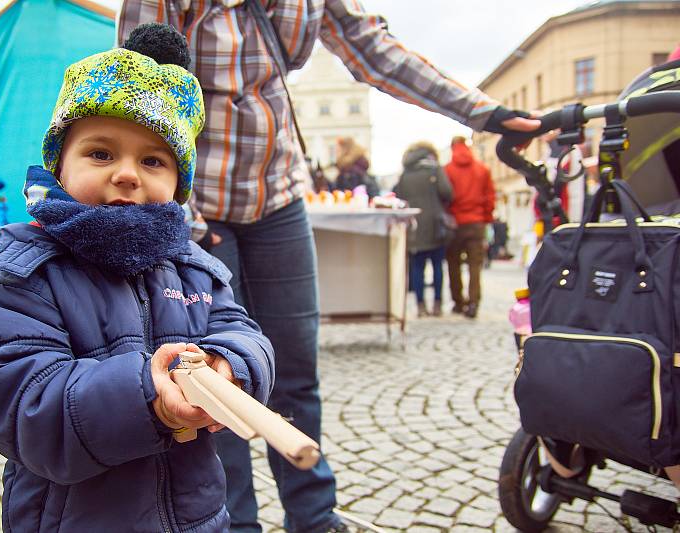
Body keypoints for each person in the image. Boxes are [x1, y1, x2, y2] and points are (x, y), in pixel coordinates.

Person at [118, 3, 540, 532]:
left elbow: (375, 51)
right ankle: (232, 521)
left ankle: (315, 517)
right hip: (200, 205)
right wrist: (186, 215)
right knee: (211, 375)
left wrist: (483, 114)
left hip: (280, 196)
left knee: (297, 372)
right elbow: (140, 85)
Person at [0, 24, 274, 532]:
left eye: (153, 159)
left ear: (178, 185)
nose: (127, 173)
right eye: (101, 153)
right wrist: (147, 398)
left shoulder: (196, 268)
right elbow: (21, 406)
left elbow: (246, 335)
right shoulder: (24, 275)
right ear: (59, 166)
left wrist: (231, 365)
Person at [392, 142, 453, 318]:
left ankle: (420, 305)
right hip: (435, 225)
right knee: (437, 266)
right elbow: (447, 192)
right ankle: (437, 304)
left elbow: (399, 197)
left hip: (414, 227)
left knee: (417, 267)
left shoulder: (405, 174)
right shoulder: (434, 169)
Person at [445, 136, 496, 319]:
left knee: (454, 264)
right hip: (476, 223)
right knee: (475, 265)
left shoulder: (447, 170)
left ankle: (458, 302)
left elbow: (445, 197)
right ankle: (474, 302)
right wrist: (486, 218)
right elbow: (490, 196)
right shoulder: (482, 169)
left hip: (455, 224)